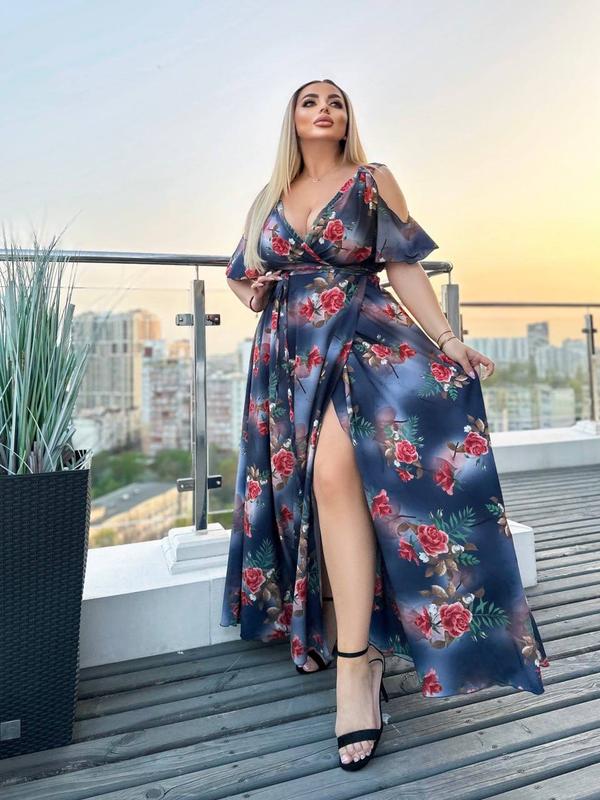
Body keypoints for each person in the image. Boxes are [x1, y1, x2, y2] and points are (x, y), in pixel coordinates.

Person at [220, 78, 549, 771]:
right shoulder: (268, 197)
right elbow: (241, 271)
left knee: (334, 476)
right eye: (310, 102)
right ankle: (344, 632)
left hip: (364, 338)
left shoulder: (373, 179)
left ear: (347, 119)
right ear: (292, 119)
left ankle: (356, 665)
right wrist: (254, 292)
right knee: (319, 490)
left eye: (335, 102)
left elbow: (403, 265)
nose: (324, 110)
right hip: (288, 354)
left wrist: (448, 339)